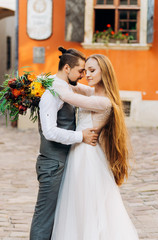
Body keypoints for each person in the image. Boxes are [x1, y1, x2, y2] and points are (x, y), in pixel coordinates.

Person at [51, 53, 139, 239]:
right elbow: (74, 86)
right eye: (84, 70)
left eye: (91, 70)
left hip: (87, 155)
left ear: (104, 72)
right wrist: (58, 77)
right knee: (79, 202)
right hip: (80, 150)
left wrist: (48, 81)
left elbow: (67, 95)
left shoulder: (104, 101)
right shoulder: (94, 92)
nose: (86, 74)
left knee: (88, 202)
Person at [30, 48, 98, 240]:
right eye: (80, 71)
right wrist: (80, 136)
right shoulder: (52, 92)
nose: (83, 75)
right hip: (52, 164)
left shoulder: (64, 87)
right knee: (45, 219)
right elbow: (49, 131)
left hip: (59, 162)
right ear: (67, 68)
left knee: (56, 217)